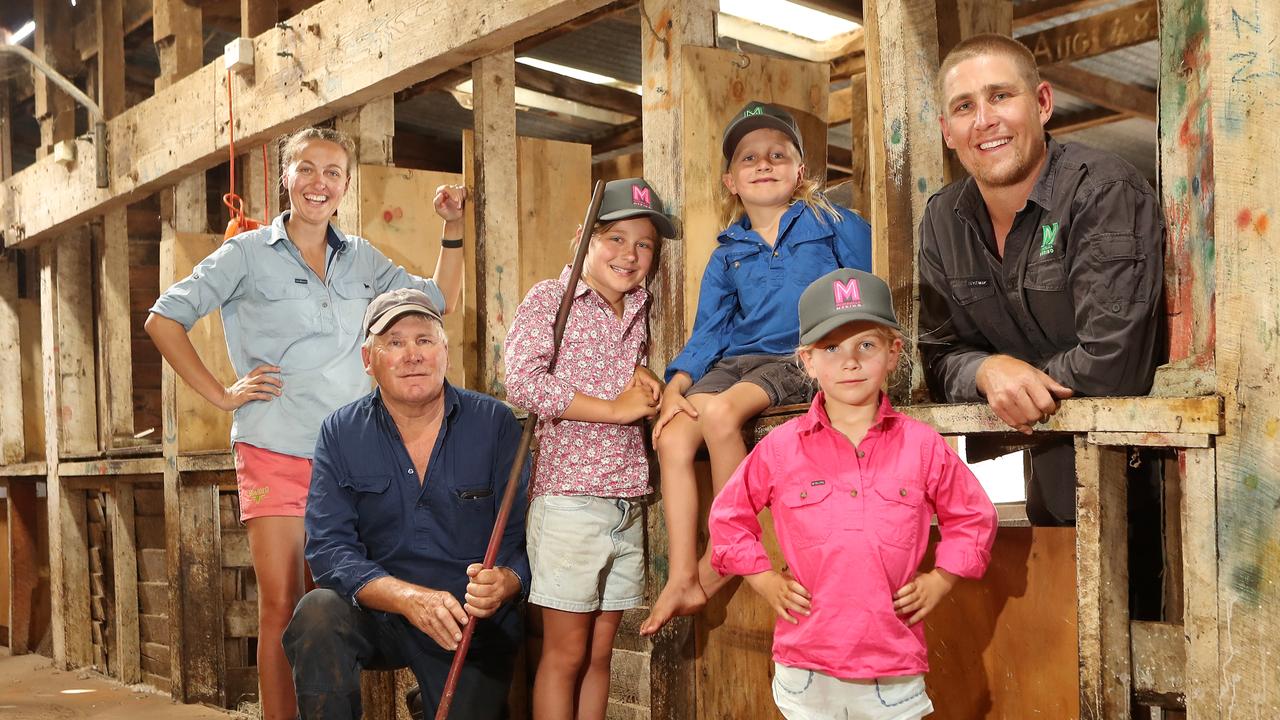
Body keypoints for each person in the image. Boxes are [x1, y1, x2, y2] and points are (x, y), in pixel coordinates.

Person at [145, 126, 466, 720]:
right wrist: (221, 394)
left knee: (344, 601)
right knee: (284, 604)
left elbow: (438, 302)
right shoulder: (245, 254)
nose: (321, 183)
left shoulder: (360, 257)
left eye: (334, 172)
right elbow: (164, 319)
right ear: (286, 178)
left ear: (345, 184)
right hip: (276, 448)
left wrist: (453, 229)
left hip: (351, 459)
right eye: (309, 169)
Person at [709, 268, 998, 719]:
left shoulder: (922, 446)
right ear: (807, 360)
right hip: (805, 663)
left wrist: (941, 579)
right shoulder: (781, 448)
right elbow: (728, 517)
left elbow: (974, 517)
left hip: (892, 667)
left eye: (866, 344)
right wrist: (764, 580)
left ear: (893, 352)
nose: (850, 361)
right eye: (831, 348)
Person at [642, 101, 873, 635]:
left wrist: (848, 353)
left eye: (777, 154)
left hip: (800, 357)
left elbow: (863, 287)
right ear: (731, 180)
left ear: (800, 172)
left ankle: (731, 550)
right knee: (673, 437)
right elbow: (709, 332)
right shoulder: (728, 253)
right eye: (749, 158)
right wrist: (676, 385)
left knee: (722, 416)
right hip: (736, 361)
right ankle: (681, 574)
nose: (763, 163)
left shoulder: (831, 222)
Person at [917, 33, 1165, 529]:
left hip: (1150, 483)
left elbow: (1113, 362)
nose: (984, 119)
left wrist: (1020, 376)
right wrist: (988, 372)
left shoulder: (1103, 190)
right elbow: (937, 357)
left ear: (1043, 103)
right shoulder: (944, 219)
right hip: (1050, 485)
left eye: (1000, 96)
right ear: (947, 130)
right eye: (965, 106)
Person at [283, 289, 529, 719]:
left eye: (424, 340)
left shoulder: (495, 423)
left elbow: (523, 532)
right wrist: (407, 597)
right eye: (394, 342)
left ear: (444, 352)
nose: (412, 355)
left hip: (467, 621)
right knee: (317, 614)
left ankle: (428, 700)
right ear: (368, 359)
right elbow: (328, 548)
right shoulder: (340, 432)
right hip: (381, 613)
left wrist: (507, 580)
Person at [503, 178, 676, 720]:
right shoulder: (550, 300)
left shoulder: (642, 309)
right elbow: (523, 382)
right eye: (615, 238)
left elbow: (623, 375)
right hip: (569, 501)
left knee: (602, 654)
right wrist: (615, 409)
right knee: (565, 652)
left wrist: (645, 373)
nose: (629, 254)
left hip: (626, 504)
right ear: (583, 238)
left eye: (644, 244)